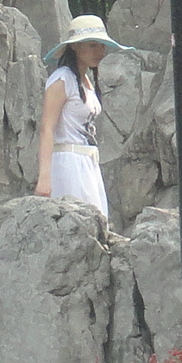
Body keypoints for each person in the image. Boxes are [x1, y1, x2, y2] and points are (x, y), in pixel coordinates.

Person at [35, 15, 131, 217]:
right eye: (93, 45)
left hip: (87, 161)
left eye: (102, 46)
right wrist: (44, 177)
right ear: (75, 47)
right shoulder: (62, 79)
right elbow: (47, 127)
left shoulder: (85, 80)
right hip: (68, 162)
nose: (100, 52)